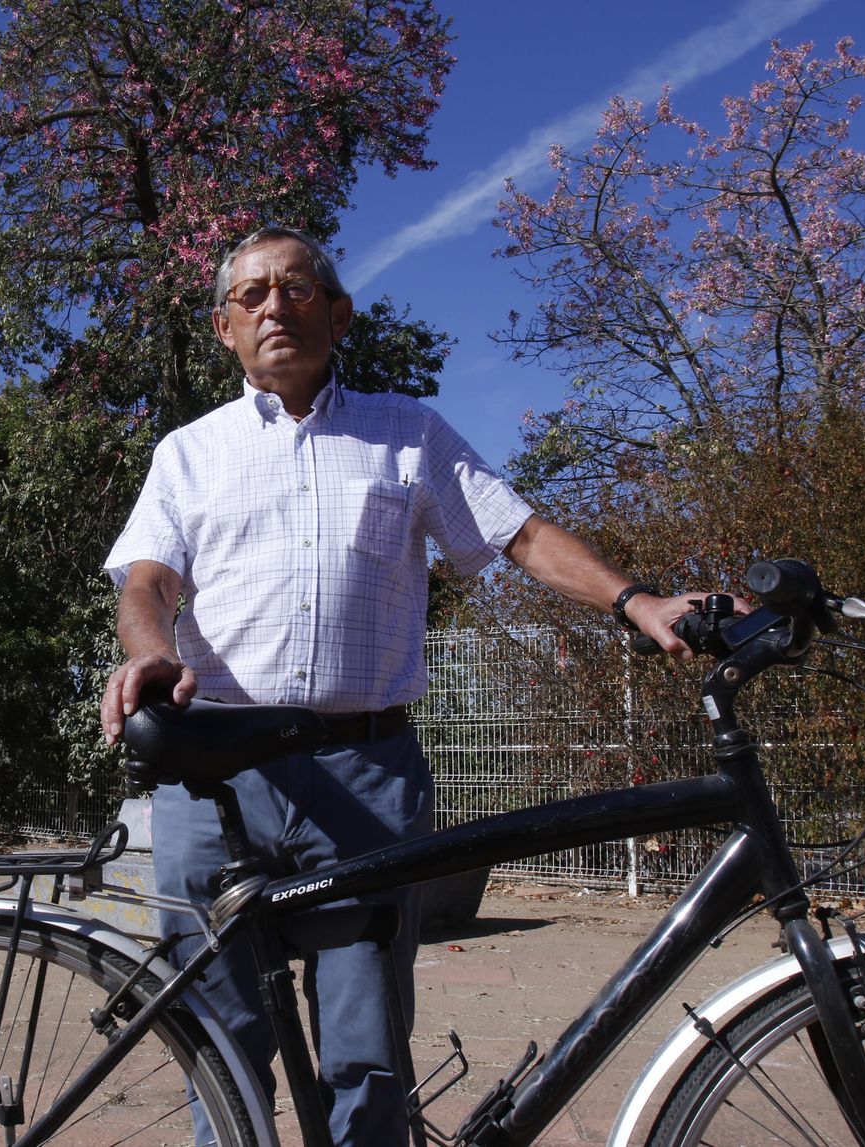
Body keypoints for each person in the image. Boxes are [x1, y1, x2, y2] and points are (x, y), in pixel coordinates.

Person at [100, 226, 704, 1146]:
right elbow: (146, 580)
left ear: (337, 314)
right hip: (215, 776)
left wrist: (637, 600)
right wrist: (148, 647)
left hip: (367, 775)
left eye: (296, 288)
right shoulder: (188, 452)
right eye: (251, 294)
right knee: (221, 1050)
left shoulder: (407, 432)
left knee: (369, 1054)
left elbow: (519, 534)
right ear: (224, 328)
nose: (274, 306)